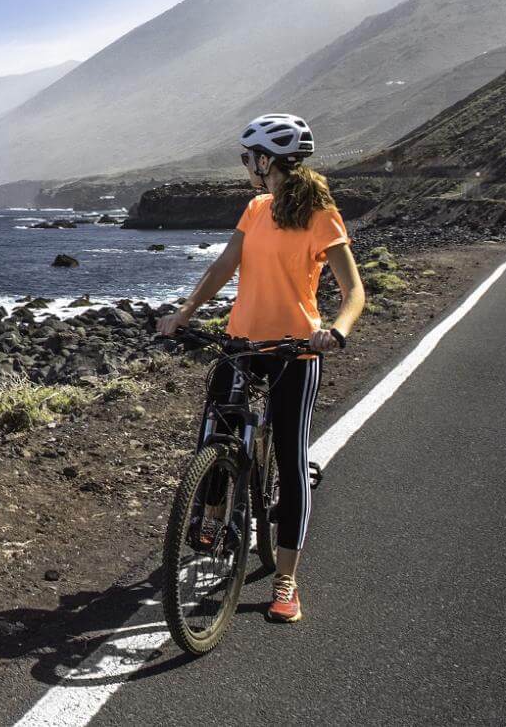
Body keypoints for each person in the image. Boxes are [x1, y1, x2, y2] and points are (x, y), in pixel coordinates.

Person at [157, 113, 366, 624]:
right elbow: (222, 267)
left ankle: (286, 580)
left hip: (296, 348)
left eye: (249, 157)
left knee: (292, 463)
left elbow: (354, 291)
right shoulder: (255, 208)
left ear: (267, 160)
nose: (246, 165)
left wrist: (336, 329)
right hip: (242, 341)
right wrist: (183, 313)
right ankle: (208, 515)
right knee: (217, 429)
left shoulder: (322, 215)